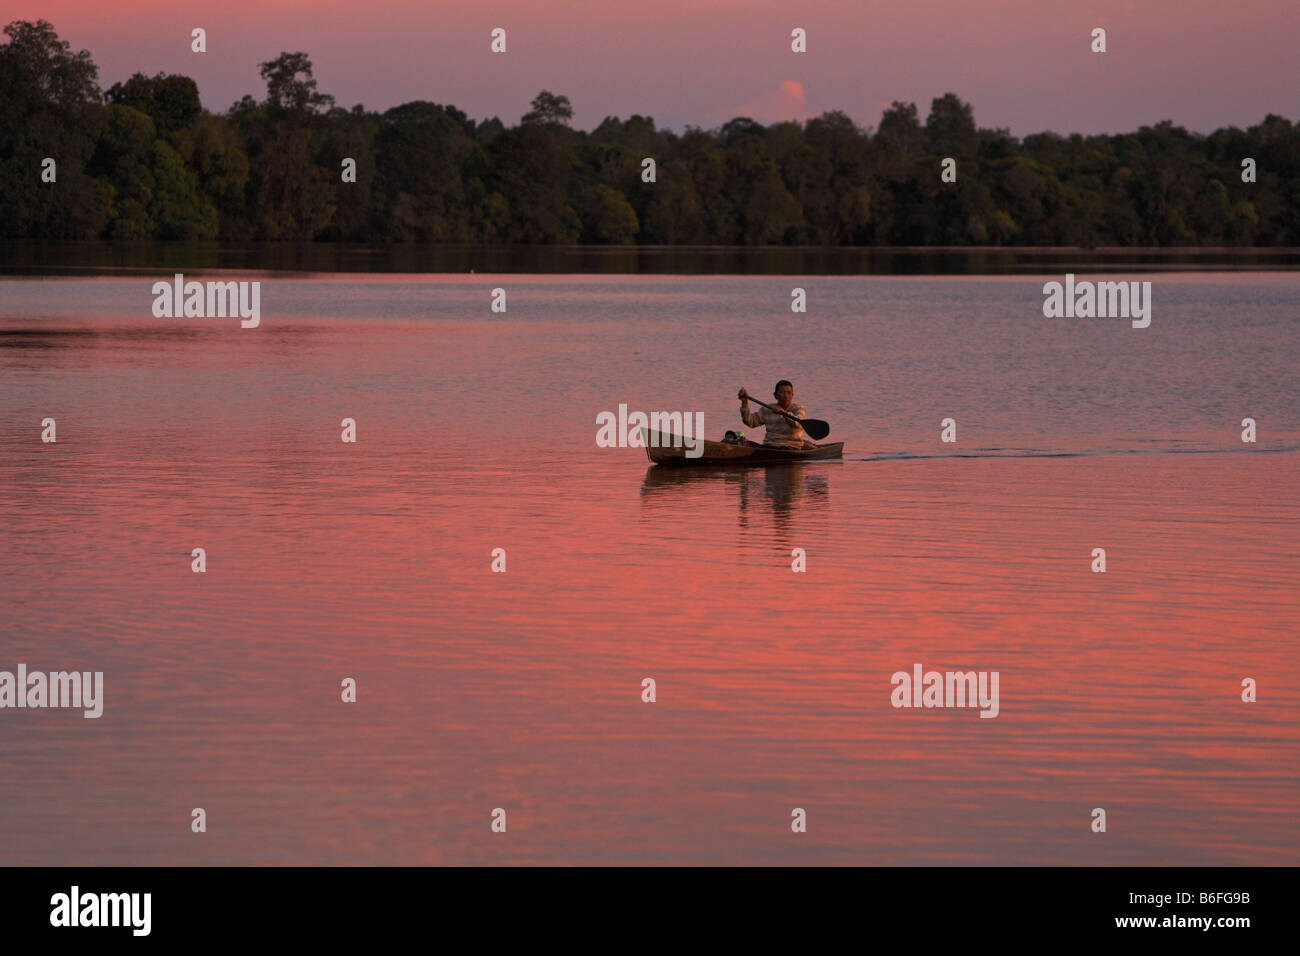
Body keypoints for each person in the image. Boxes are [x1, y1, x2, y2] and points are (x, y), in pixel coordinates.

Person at [738, 380, 811, 448]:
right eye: (782, 392)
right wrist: (745, 403)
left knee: (783, 449)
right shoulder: (767, 409)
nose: (785, 396)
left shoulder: (799, 408)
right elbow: (750, 422)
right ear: (775, 395)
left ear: (792, 395)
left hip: (791, 446)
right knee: (742, 442)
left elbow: (798, 424)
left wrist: (783, 413)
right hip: (769, 445)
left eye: (789, 393)